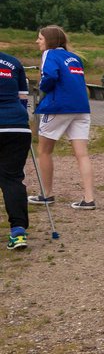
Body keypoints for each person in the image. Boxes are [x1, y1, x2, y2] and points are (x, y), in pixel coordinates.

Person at [31, 25, 96, 210]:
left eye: (40, 38)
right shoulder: (74, 57)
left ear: (49, 41)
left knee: (44, 150)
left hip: (58, 106)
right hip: (81, 108)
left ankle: (46, 194)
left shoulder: (49, 54)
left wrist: (43, 87)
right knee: (82, 153)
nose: (37, 42)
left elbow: (50, 76)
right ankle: (89, 198)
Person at [0, 49, 31, 249]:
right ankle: (18, 231)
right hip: (17, 126)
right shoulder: (13, 62)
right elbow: (23, 99)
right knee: (12, 179)